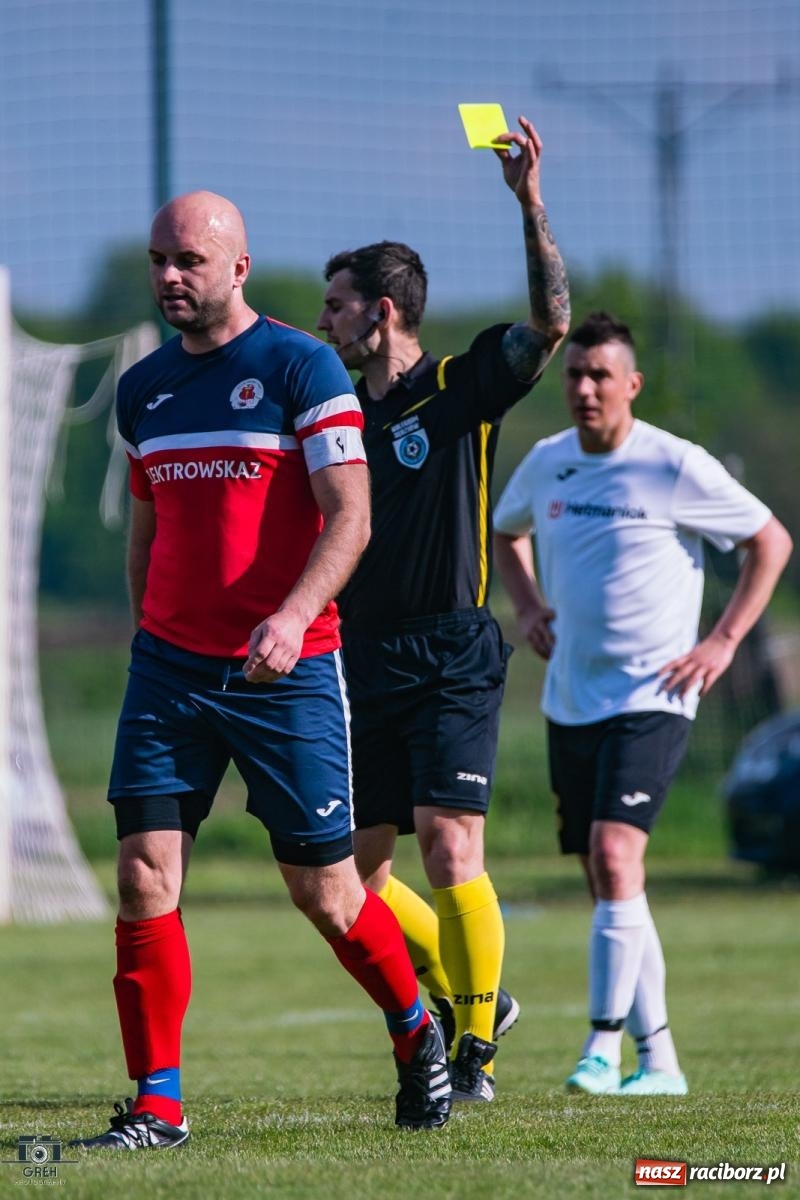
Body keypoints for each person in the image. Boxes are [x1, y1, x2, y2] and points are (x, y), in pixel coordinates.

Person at [71, 191, 453, 1151]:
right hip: (169, 672)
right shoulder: (144, 389)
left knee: (327, 893)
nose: (169, 276)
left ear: (238, 268)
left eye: (188, 261)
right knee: (144, 877)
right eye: (158, 260)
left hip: (287, 670)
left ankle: (416, 1029)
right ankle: (158, 1106)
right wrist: (149, 636)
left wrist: (291, 614)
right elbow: (149, 531)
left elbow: (351, 516)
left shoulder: (300, 366)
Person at [316, 116, 569, 1102]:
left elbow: (549, 325)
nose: (326, 320)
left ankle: (473, 1056)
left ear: (380, 313)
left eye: (338, 306)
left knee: (449, 844)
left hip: (452, 649)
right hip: (361, 654)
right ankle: (479, 1001)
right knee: (356, 879)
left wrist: (529, 204)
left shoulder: (460, 387)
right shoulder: (338, 415)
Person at [492, 311, 793, 1096]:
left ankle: (599, 1048)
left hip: (656, 694)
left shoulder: (673, 464)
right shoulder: (549, 462)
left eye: (601, 375)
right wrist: (529, 606)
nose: (585, 388)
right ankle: (659, 1061)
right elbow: (505, 532)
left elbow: (771, 542)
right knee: (610, 880)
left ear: (632, 385)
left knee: (616, 857)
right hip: (571, 699)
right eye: (575, 374)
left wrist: (722, 642)